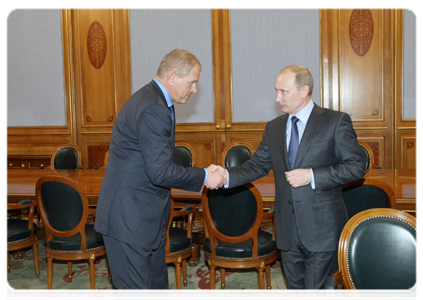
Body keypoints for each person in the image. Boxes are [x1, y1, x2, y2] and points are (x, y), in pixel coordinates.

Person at [212, 65, 366, 294]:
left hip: (321, 229)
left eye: (283, 91)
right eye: (276, 91)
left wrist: (312, 175)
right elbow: (258, 165)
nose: (277, 98)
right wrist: (226, 175)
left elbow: (356, 167)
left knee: (316, 293)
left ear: (304, 90)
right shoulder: (274, 127)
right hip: (286, 230)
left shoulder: (335, 121)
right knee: (295, 292)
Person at [94, 49, 226, 300]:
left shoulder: (154, 100)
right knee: (136, 293)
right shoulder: (152, 107)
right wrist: (204, 177)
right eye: (192, 82)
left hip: (143, 217)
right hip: (128, 219)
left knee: (156, 290)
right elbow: (160, 171)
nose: (195, 89)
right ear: (172, 77)